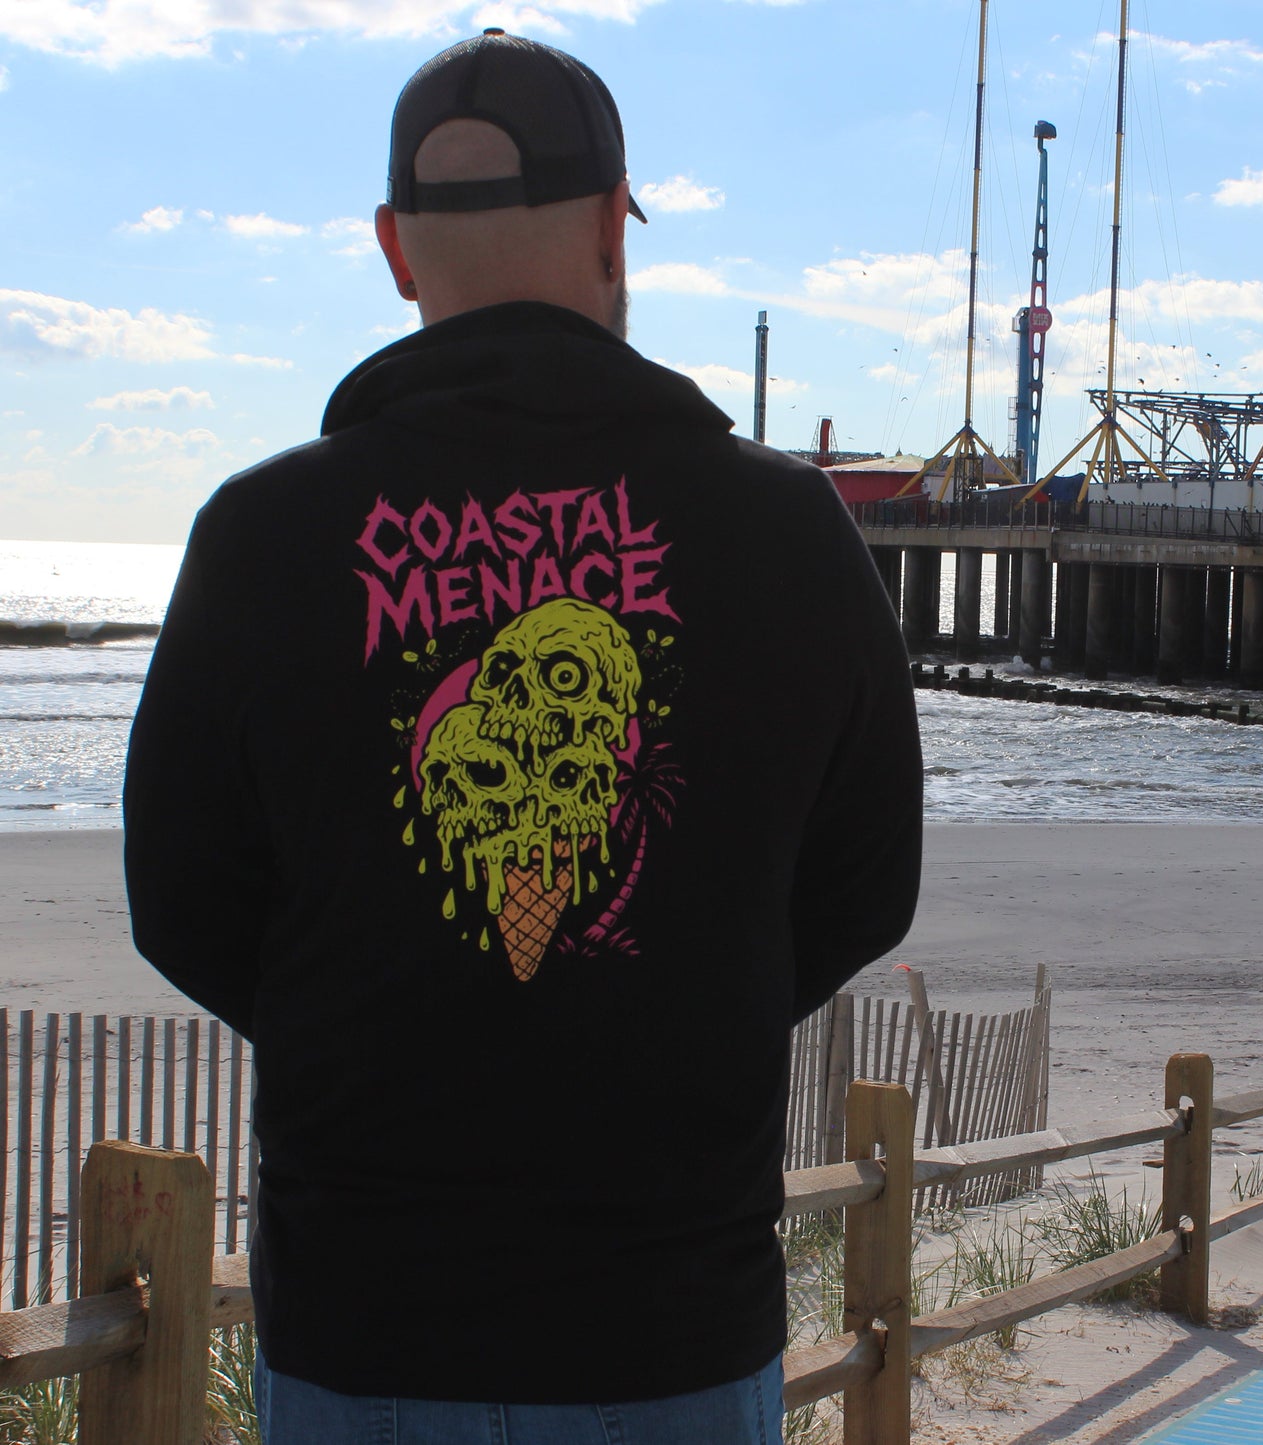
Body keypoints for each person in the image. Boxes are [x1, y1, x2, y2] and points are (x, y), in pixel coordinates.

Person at [124, 29, 922, 1445]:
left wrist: (377, 1015)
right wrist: (686, 998)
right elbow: (866, 883)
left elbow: (182, 899)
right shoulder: (789, 532)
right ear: (614, 226)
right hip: (673, 1322)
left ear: (394, 249)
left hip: (363, 1325)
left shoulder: (261, 534)